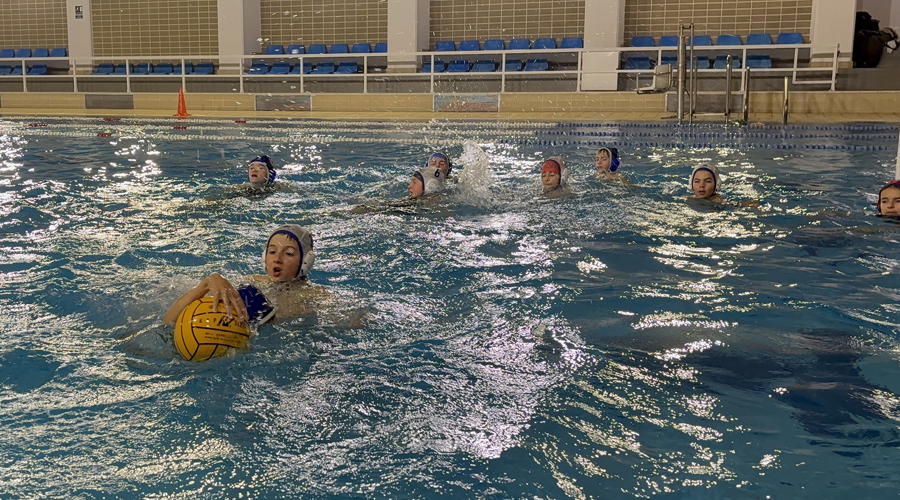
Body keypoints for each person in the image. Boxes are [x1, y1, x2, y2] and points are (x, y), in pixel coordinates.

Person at [164, 224, 324, 326]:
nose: (277, 259)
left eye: (288, 253)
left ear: (306, 261)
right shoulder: (250, 282)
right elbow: (168, 322)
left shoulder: (315, 296)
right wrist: (207, 283)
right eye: (272, 251)